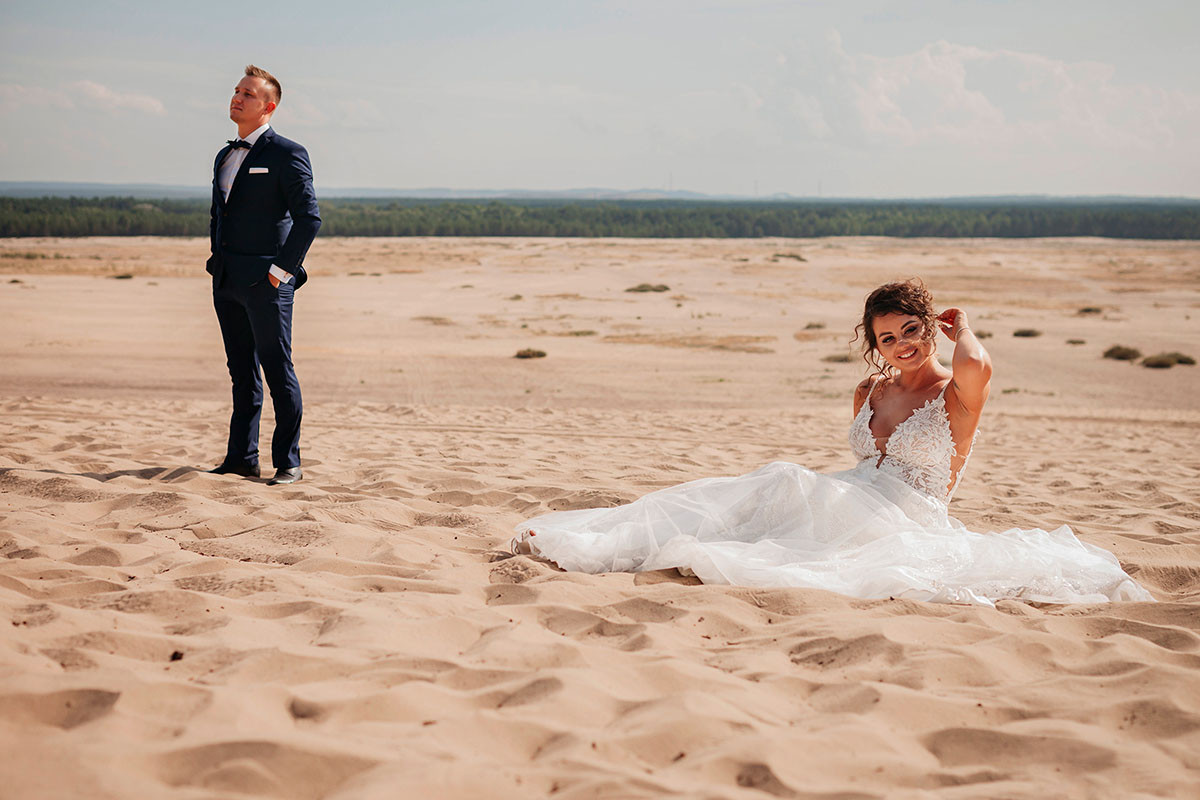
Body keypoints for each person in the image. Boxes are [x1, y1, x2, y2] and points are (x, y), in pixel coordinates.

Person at [512, 280, 1152, 606]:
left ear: (930, 329)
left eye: (912, 330)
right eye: (887, 338)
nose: (902, 345)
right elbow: (861, 466)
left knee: (782, 485)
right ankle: (603, 541)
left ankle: (621, 547)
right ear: (875, 346)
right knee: (761, 492)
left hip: (908, 517)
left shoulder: (957, 393)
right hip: (853, 499)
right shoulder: (868, 391)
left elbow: (979, 364)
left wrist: (965, 328)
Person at [206, 65, 321, 486]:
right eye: (236, 91)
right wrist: (216, 263)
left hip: (267, 283)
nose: (237, 98)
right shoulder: (224, 155)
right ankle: (241, 459)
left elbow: (309, 219)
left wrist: (279, 273)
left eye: (248, 94)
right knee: (241, 373)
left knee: (277, 370)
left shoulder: (288, 153)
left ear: (269, 107)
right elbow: (219, 215)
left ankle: (289, 462)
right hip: (227, 281)